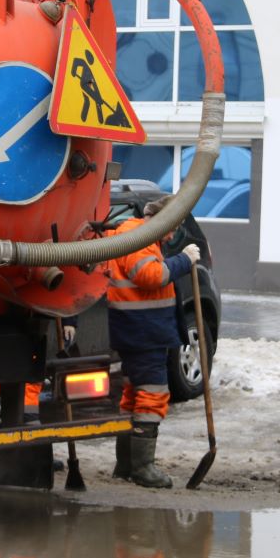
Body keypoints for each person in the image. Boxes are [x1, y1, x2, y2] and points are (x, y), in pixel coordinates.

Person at [104, 196, 200, 489]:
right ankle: (142, 467)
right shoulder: (136, 239)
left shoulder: (132, 237)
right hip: (144, 333)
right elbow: (150, 276)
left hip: (140, 331)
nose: (172, 235)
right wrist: (185, 260)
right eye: (171, 228)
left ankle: (125, 465)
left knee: (134, 396)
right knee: (152, 396)